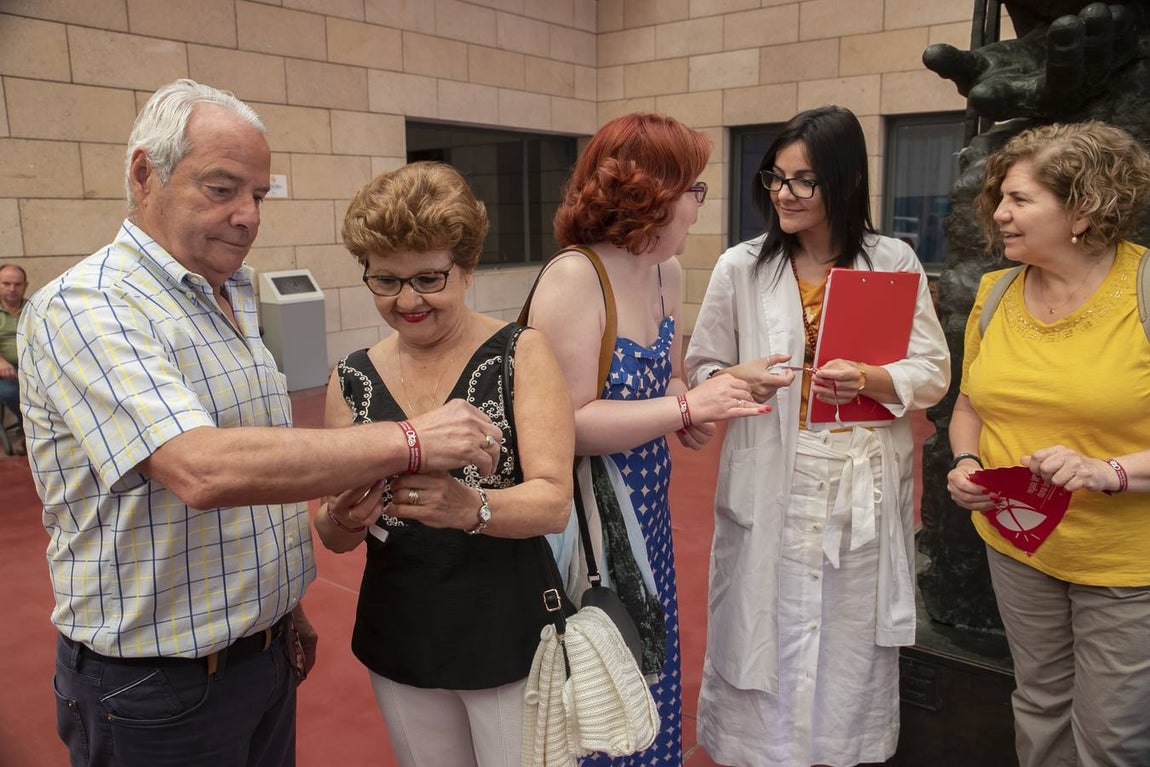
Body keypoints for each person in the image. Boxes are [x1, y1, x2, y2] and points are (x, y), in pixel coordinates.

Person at [17, 79, 503, 767]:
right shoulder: (89, 307)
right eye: (222, 189)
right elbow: (201, 467)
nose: (247, 215)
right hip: (156, 684)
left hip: (257, 655)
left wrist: (279, 613)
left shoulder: (231, 292)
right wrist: (413, 437)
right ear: (143, 173)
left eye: (259, 195)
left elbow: (252, 480)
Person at [684, 105, 950, 767]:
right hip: (771, 473)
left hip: (854, 484)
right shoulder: (741, 267)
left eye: (804, 180)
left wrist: (871, 377)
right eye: (776, 177)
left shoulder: (892, 260)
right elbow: (703, 366)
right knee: (764, 630)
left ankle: (838, 751)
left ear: (845, 180)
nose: (784, 193)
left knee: (845, 640)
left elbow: (933, 370)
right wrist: (738, 376)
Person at [525, 112, 765, 766]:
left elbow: (670, 376)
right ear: (649, 192)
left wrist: (687, 409)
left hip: (648, 514)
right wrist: (685, 404)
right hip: (591, 523)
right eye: (693, 188)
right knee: (601, 675)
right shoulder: (575, 277)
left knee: (647, 673)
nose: (697, 204)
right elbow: (567, 422)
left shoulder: (669, 272)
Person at [316, 161, 575, 767]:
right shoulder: (351, 377)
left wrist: (471, 507)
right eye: (385, 281)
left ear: (467, 266)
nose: (408, 300)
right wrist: (346, 516)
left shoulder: (521, 352)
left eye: (428, 278)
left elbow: (553, 502)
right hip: (401, 629)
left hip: (505, 628)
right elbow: (329, 536)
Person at [947, 121, 1150, 767]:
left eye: (1020, 199)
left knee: (1111, 736)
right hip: (1018, 544)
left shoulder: (1143, 290)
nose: (1000, 214)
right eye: (1000, 197)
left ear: (1083, 208)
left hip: (1125, 563)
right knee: (1038, 704)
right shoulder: (996, 292)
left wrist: (1108, 470)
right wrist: (966, 461)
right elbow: (968, 405)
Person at [0, 263, 28, 454]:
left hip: (32, 367)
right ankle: (27, 431)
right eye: (6, 283)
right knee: (13, 391)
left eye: (17, 284)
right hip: (5, 370)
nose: (12, 289)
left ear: (25, 286)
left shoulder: (33, 307)